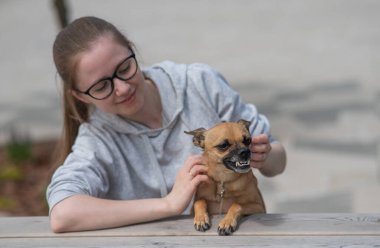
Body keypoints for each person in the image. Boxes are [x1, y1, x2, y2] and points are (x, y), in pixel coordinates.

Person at [47, 16, 286, 233]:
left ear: (133, 51)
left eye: (124, 68)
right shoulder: (97, 138)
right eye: (101, 87)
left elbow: (278, 162)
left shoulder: (200, 84)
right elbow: (63, 215)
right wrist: (168, 204)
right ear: (80, 96)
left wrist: (264, 156)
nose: (122, 88)